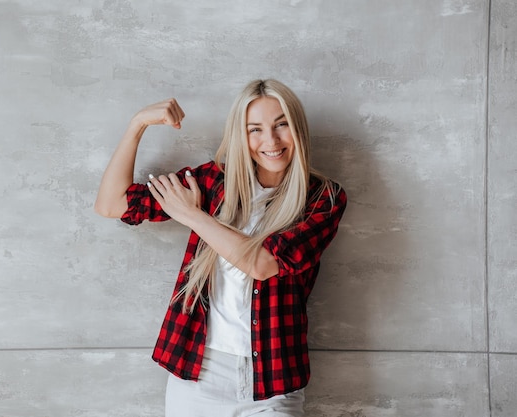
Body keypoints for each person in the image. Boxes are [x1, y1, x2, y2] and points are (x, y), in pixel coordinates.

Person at [95, 79, 347, 417]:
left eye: (281, 125)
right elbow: (112, 204)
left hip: (273, 383)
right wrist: (137, 124)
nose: (270, 141)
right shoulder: (214, 181)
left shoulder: (324, 199)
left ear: (297, 128)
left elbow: (264, 263)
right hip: (199, 374)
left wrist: (192, 215)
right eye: (254, 129)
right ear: (241, 136)